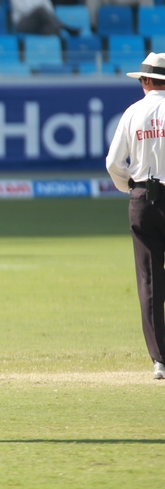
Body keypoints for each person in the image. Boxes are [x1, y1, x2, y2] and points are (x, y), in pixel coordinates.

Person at [106, 52, 165, 381]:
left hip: (143, 199)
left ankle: (160, 360)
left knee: (150, 280)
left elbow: (113, 163)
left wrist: (130, 185)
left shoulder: (133, 112)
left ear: (145, 81)